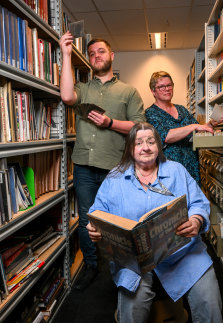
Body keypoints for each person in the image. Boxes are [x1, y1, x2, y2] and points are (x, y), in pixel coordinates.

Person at [87, 122, 223, 323]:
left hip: (182, 253)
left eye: (151, 142)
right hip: (136, 261)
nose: (145, 148)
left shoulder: (177, 170)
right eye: (139, 143)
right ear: (130, 148)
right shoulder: (115, 178)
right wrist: (95, 228)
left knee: (208, 294)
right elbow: (97, 211)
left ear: (158, 146)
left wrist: (196, 220)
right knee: (132, 300)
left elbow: (199, 203)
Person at [59, 32, 146, 291]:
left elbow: (138, 126)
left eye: (101, 51)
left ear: (112, 56)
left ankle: (122, 268)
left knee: (120, 219)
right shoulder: (83, 89)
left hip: (116, 167)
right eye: (92, 53)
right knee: (88, 219)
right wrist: (65, 53)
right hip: (84, 165)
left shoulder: (128, 91)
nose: (97, 56)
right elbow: (66, 97)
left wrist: (110, 122)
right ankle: (91, 265)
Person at [145, 71, 222, 185]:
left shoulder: (181, 110)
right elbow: (166, 136)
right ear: (153, 91)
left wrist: (209, 125)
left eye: (169, 85)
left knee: (192, 201)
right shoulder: (150, 113)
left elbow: (197, 130)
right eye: (161, 87)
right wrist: (193, 126)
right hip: (169, 171)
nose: (167, 89)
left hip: (191, 167)